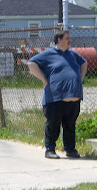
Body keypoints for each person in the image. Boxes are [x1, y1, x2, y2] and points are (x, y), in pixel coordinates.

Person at [28, 31, 87, 159]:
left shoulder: (73, 55)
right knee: (53, 124)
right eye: (67, 38)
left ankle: (70, 149)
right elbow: (31, 63)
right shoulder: (49, 54)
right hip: (55, 98)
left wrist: (79, 79)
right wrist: (44, 80)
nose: (70, 40)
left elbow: (84, 63)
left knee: (70, 125)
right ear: (59, 40)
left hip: (74, 98)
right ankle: (50, 149)